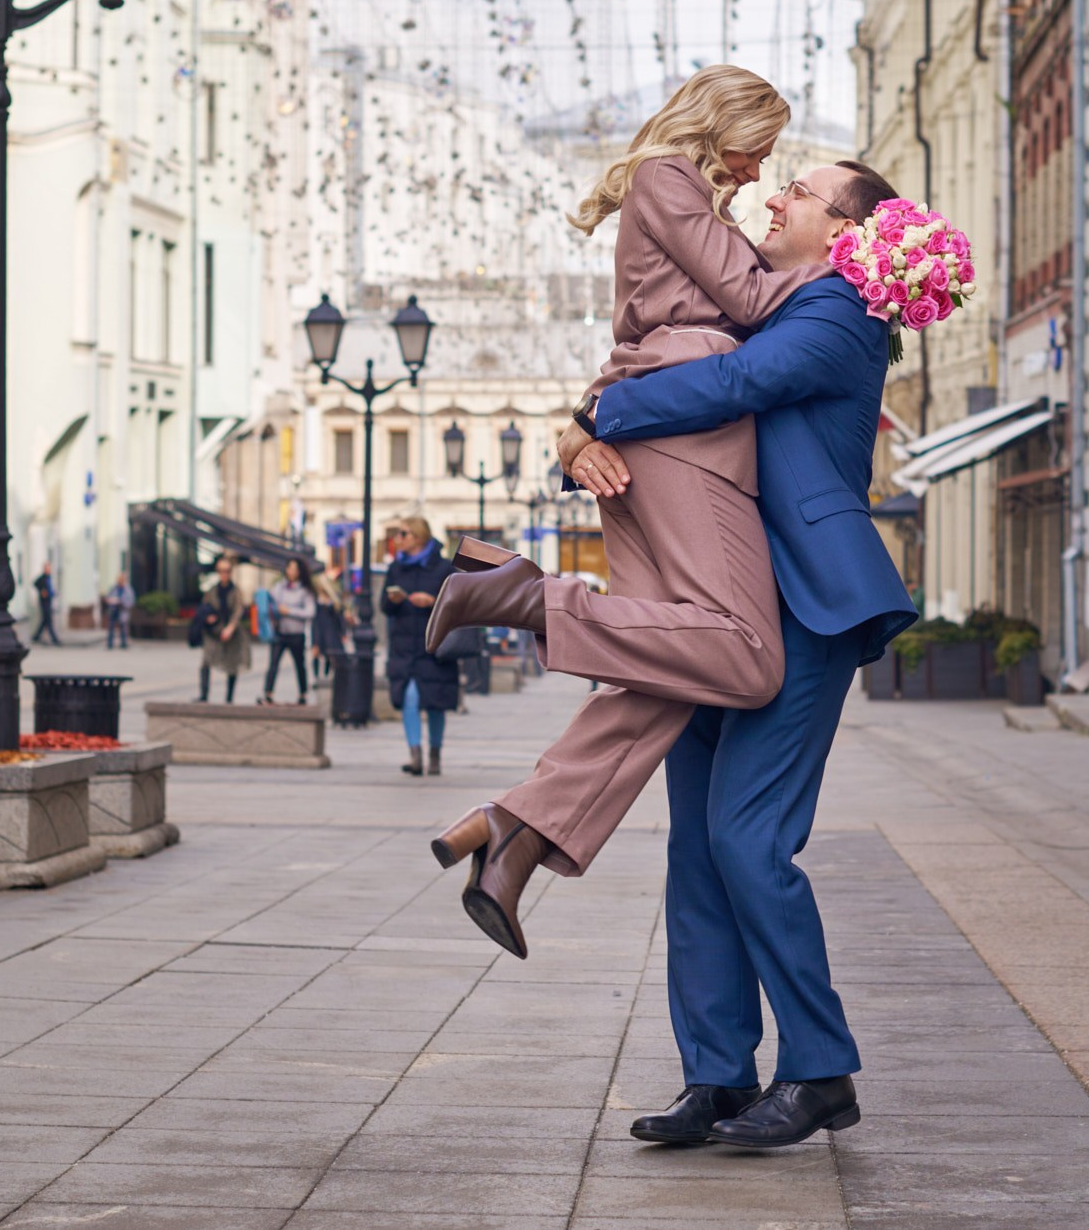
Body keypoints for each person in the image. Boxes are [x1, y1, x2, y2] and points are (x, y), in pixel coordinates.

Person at [440, 160, 916, 1150]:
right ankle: (718, 1075)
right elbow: (669, 361)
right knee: (697, 849)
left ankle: (820, 1070)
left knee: (748, 840)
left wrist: (598, 419)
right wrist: (578, 438)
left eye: (799, 191)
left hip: (806, 607)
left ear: (845, 229)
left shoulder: (840, 308)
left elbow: (736, 385)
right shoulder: (757, 301)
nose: (774, 196)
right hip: (715, 597)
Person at [423, 67, 833, 903]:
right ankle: (523, 596)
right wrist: (862, 271)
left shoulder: (686, 196)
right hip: (688, 432)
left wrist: (586, 421)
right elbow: (750, 299)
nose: (758, 169)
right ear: (723, 124)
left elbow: (645, 334)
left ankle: (517, 832)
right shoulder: (667, 176)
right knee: (747, 655)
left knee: (663, 665)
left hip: (646, 426)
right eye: (757, 148)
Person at [382, 515, 459, 777]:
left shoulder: (444, 568)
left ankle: (435, 755)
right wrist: (393, 600)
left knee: (435, 703)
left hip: (434, 647)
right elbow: (384, 607)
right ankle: (415, 756)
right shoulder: (396, 568)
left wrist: (432, 601)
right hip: (404, 647)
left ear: (417, 536)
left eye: (402, 534)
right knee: (409, 698)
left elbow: (459, 603)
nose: (398, 539)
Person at [196, 552, 250, 703]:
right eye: (221, 571)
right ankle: (204, 695)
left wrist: (230, 628)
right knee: (206, 661)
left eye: (226, 571)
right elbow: (205, 607)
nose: (224, 574)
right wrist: (208, 617)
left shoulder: (236, 590)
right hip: (214, 632)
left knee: (232, 664)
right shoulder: (212, 590)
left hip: (231, 632)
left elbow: (238, 610)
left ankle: (229, 698)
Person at [260, 559, 315, 704]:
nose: (291, 572)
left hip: (296, 634)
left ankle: (303, 694)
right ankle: (268, 693)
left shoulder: (304, 591)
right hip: (279, 632)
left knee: (299, 665)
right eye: (289, 568)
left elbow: (310, 612)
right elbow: (270, 603)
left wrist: (289, 611)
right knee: (273, 664)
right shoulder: (279, 587)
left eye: (295, 569)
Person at [309, 564, 351, 683]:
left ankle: (327, 676)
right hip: (319, 631)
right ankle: (316, 677)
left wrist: (343, 632)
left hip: (331, 631)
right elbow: (314, 620)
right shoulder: (316, 602)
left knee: (330, 654)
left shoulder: (333, 603)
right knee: (317, 653)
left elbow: (339, 618)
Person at [32, 559, 62, 646]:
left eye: (50, 568)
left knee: (45, 621)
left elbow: (50, 589)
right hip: (44, 602)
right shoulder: (42, 578)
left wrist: (54, 593)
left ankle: (36, 637)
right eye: (48, 568)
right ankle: (55, 639)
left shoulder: (49, 578)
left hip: (48, 600)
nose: (49, 569)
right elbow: (35, 584)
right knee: (48, 621)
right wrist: (42, 590)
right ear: (45, 569)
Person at [103, 572, 133, 649]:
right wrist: (110, 600)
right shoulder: (114, 588)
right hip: (113, 609)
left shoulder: (128, 589)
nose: (120, 581)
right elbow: (108, 597)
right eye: (119, 579)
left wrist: (122, 602)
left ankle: (124, 643)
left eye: (122, 579)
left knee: (123, 627)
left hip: (123, 610)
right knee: (111, 627)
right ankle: (110, 643)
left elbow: (131, 601)